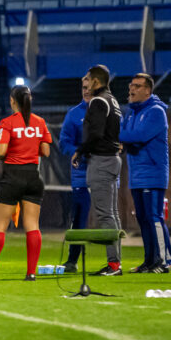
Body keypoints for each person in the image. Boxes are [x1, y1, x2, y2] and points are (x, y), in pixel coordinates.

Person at [0, 85, 51, 281]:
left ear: (12, 100)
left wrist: (9, 154)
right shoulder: (40, 122)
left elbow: (0, 151)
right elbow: (46, 152)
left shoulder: (8, 122)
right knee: (32, 225)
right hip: (34, 177)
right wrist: (29, 150)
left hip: (12, 177)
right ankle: (31, 272)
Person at [120, 73, 171, 273]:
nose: (132, 89)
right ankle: (150, 260)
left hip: (153, 173)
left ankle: (168, 260)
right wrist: (124, 138)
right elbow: (127, 136)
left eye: (137, 86)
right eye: (131, 85)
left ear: (148, 90)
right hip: (136, 174)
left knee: (154, 217)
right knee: (143, 219)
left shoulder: (156, 112)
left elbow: (139, 136)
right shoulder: (131, 113)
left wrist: (118, 136)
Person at [72, 65, 123, 276]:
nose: (84, 83)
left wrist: (80, 151)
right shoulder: (113, 100)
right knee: (113, 213)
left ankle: (113, 265)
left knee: (105, 215)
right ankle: (116, 262)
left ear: (95, 81)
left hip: (102, 161)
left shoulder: (98, 101)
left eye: (87, 79)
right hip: (112, 159)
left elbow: (95, 133)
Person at [59, 75, 92, 273]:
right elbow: (64, 143)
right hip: (81, 174)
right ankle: (72, 260)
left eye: (89, 87)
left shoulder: (109, 111)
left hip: (104, 173)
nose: (86, 91)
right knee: (78, 218)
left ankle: (114, 262)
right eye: (83, 87)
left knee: (110, 217)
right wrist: (77, 151)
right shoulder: (74, 114)